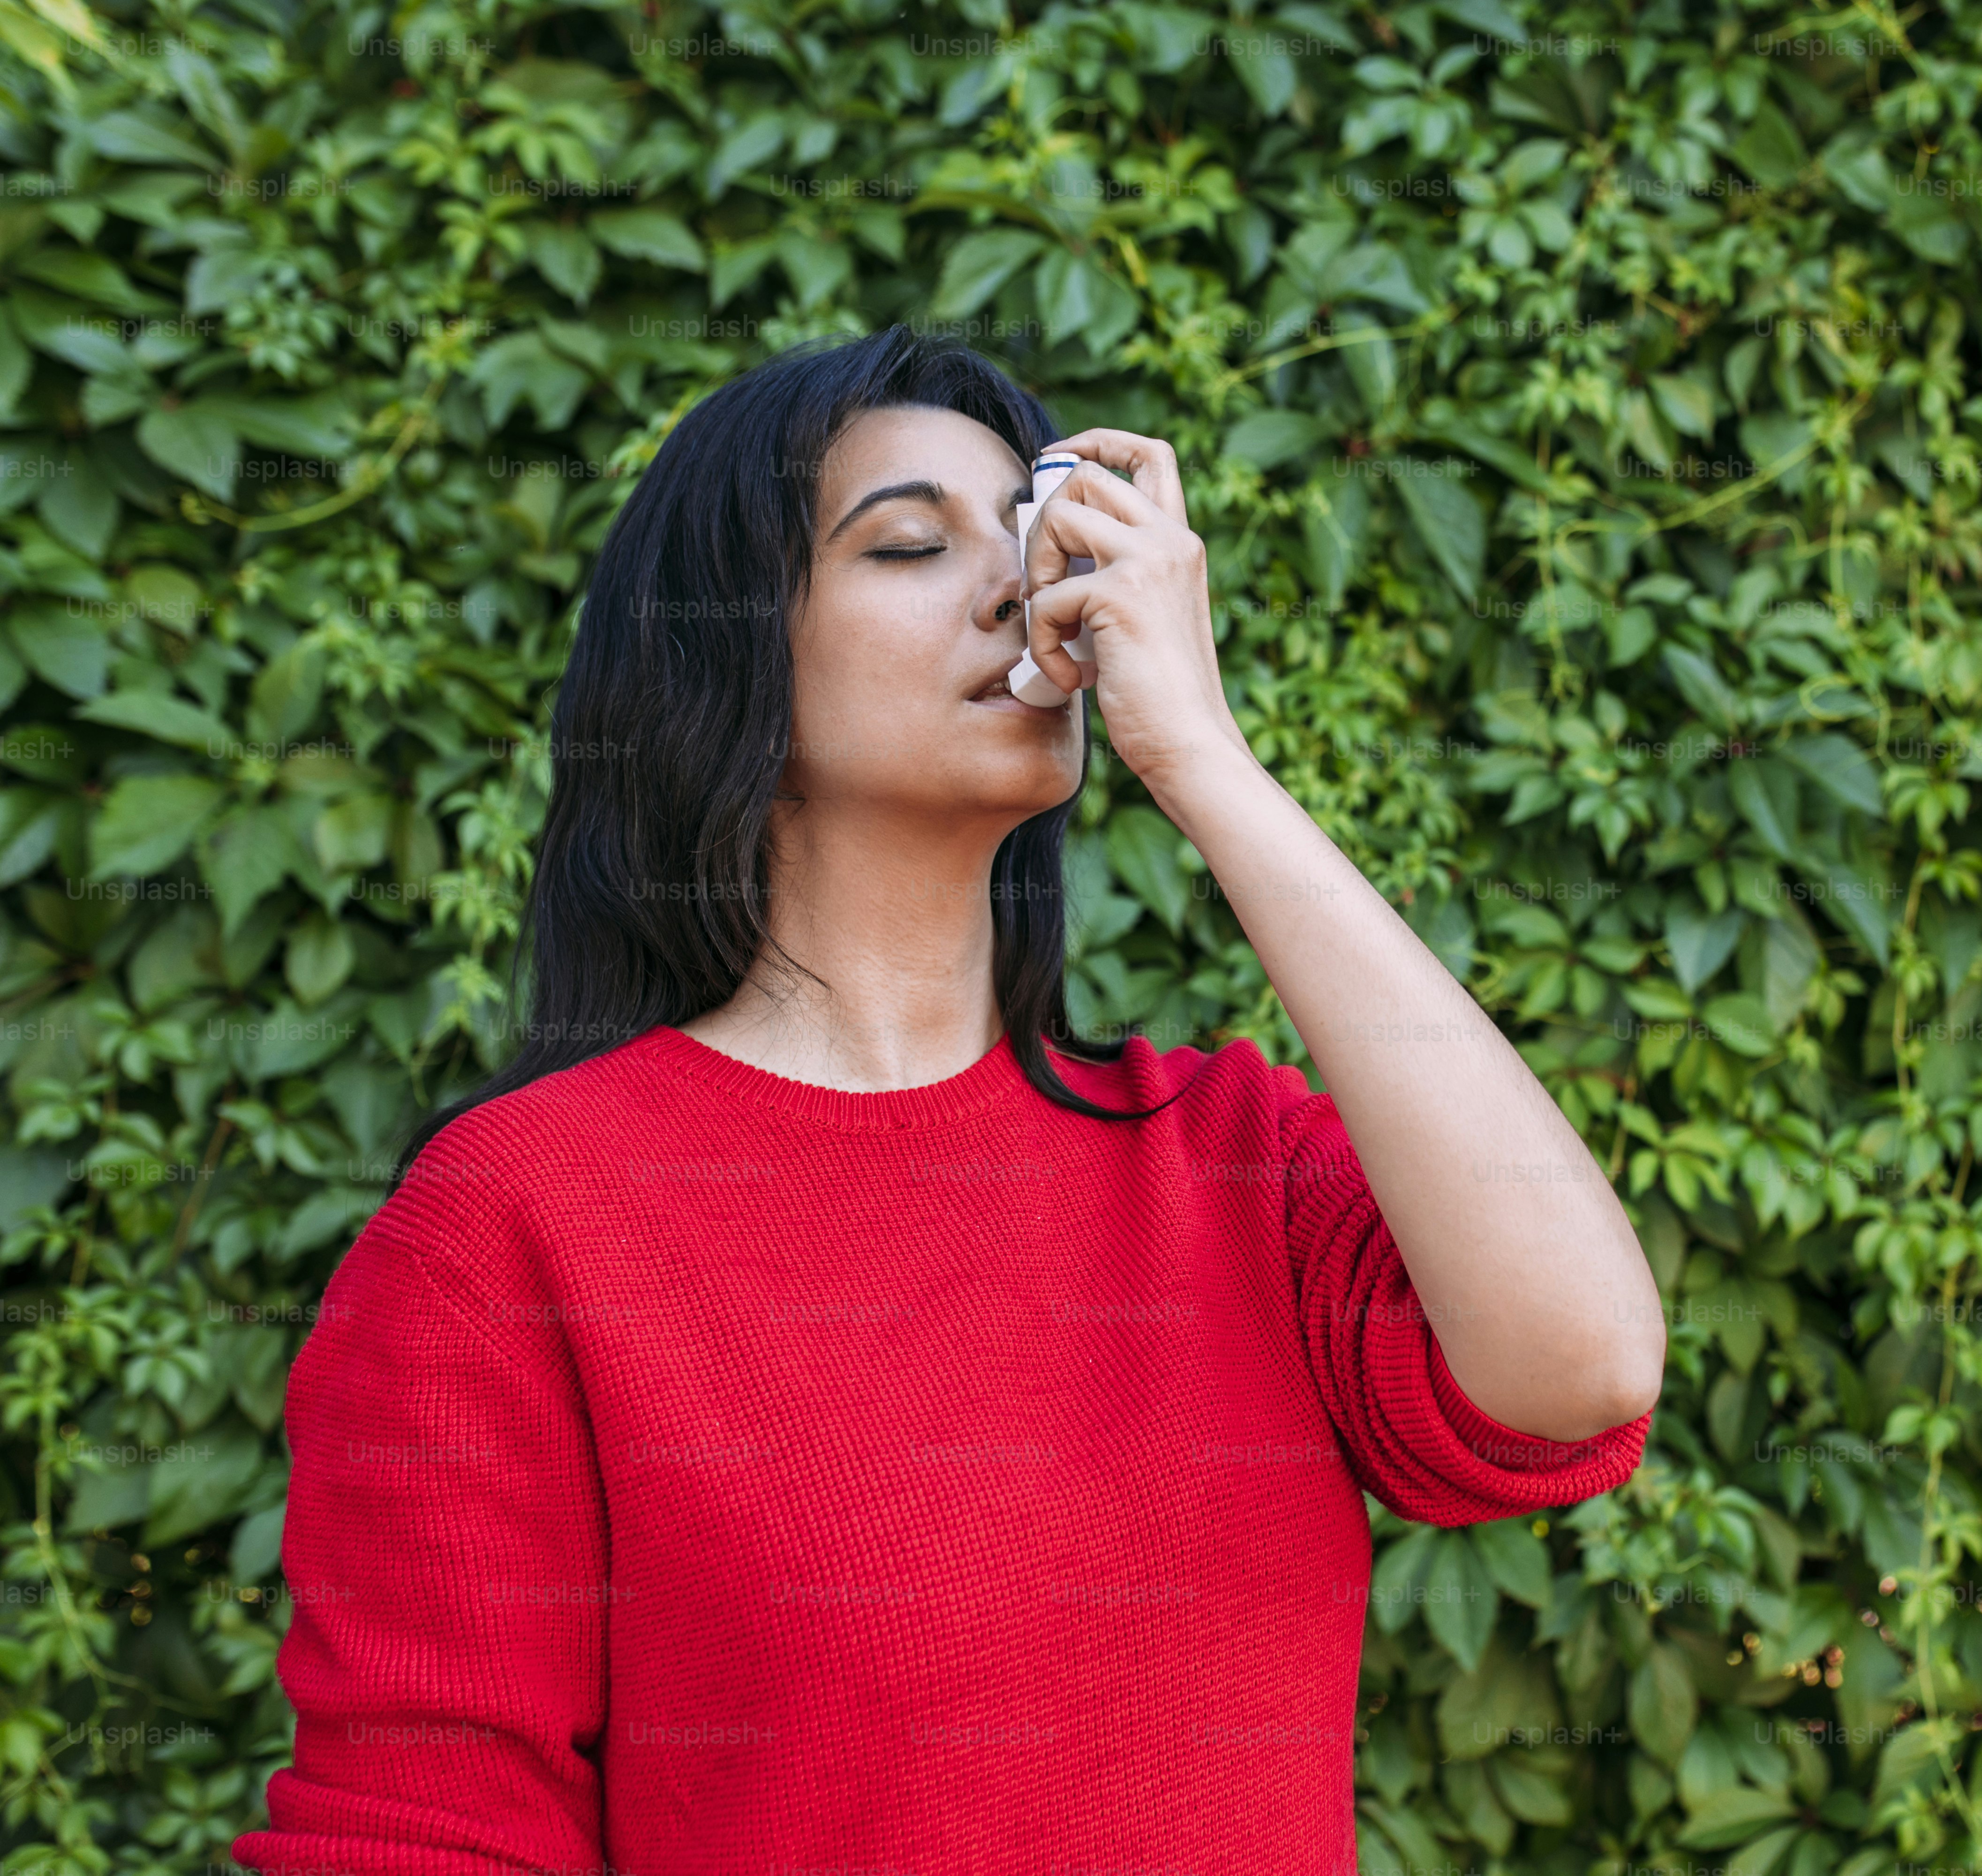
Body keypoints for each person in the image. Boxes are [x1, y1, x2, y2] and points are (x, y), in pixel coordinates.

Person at [229, 325, 1664, 1875]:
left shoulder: (1223, 1162)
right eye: (909, 543)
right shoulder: (519, 1221)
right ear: (721, 658)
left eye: (1030, 534)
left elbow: (1576, 1365)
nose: (1024, 589)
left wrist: (1207, 763)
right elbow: (424, 1836)